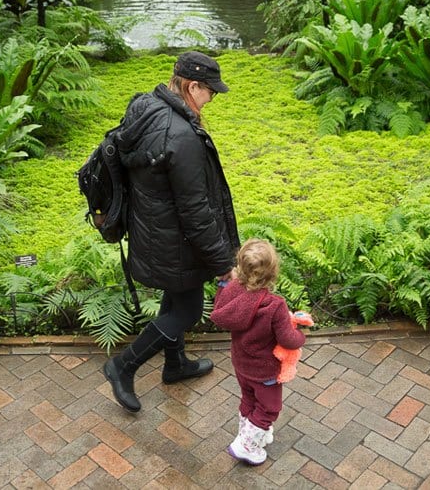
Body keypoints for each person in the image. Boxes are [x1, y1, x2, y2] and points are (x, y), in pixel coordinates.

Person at [102, 50, 240, 413]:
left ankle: (175, 364)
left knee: (176, 297)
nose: (212, 99)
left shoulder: (148, 108)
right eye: (211, 91)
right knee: (188, 310)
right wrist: (223, 262)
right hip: (176, 239)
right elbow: (195, 211)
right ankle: (122, 366)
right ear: (193, 87)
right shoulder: (181, 136)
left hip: (155, 231)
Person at [210, 238, 309, 466]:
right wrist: (301, 335)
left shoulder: (232, 290)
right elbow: (287, 339)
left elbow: (221, 310)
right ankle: (246, 445)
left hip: (241, 364)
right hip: (265, 371)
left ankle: (250, 433)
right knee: (269, 408)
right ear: (273, 273)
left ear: (240, 266)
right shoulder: (275, 305)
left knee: (249, 398)